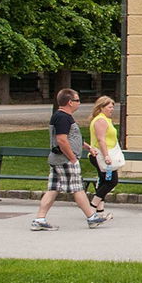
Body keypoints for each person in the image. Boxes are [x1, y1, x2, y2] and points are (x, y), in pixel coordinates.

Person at [31, 89, 110, 231]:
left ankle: (39, 219)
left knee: (53, 189)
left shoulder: (63, 116)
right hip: (65, 160)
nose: (79, 103)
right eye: (77, 100)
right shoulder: (62, 117)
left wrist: (87, 147)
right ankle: (92, 217)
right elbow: (61, 140)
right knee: (78, 188)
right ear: (70, 102)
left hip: (58, 160)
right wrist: (72, 158)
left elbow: (72, 137)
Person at [87, 95, 121, 212]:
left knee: (103, 181)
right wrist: (106, 156)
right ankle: (93, 205)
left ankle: (100, 210)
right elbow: (101, 139)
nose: (112, 109)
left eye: (112, 107)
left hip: (102, 155)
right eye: (109, 107)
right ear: (101, 107)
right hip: (100, 155)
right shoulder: (100, 120)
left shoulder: (104, 120)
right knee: (112, 181)